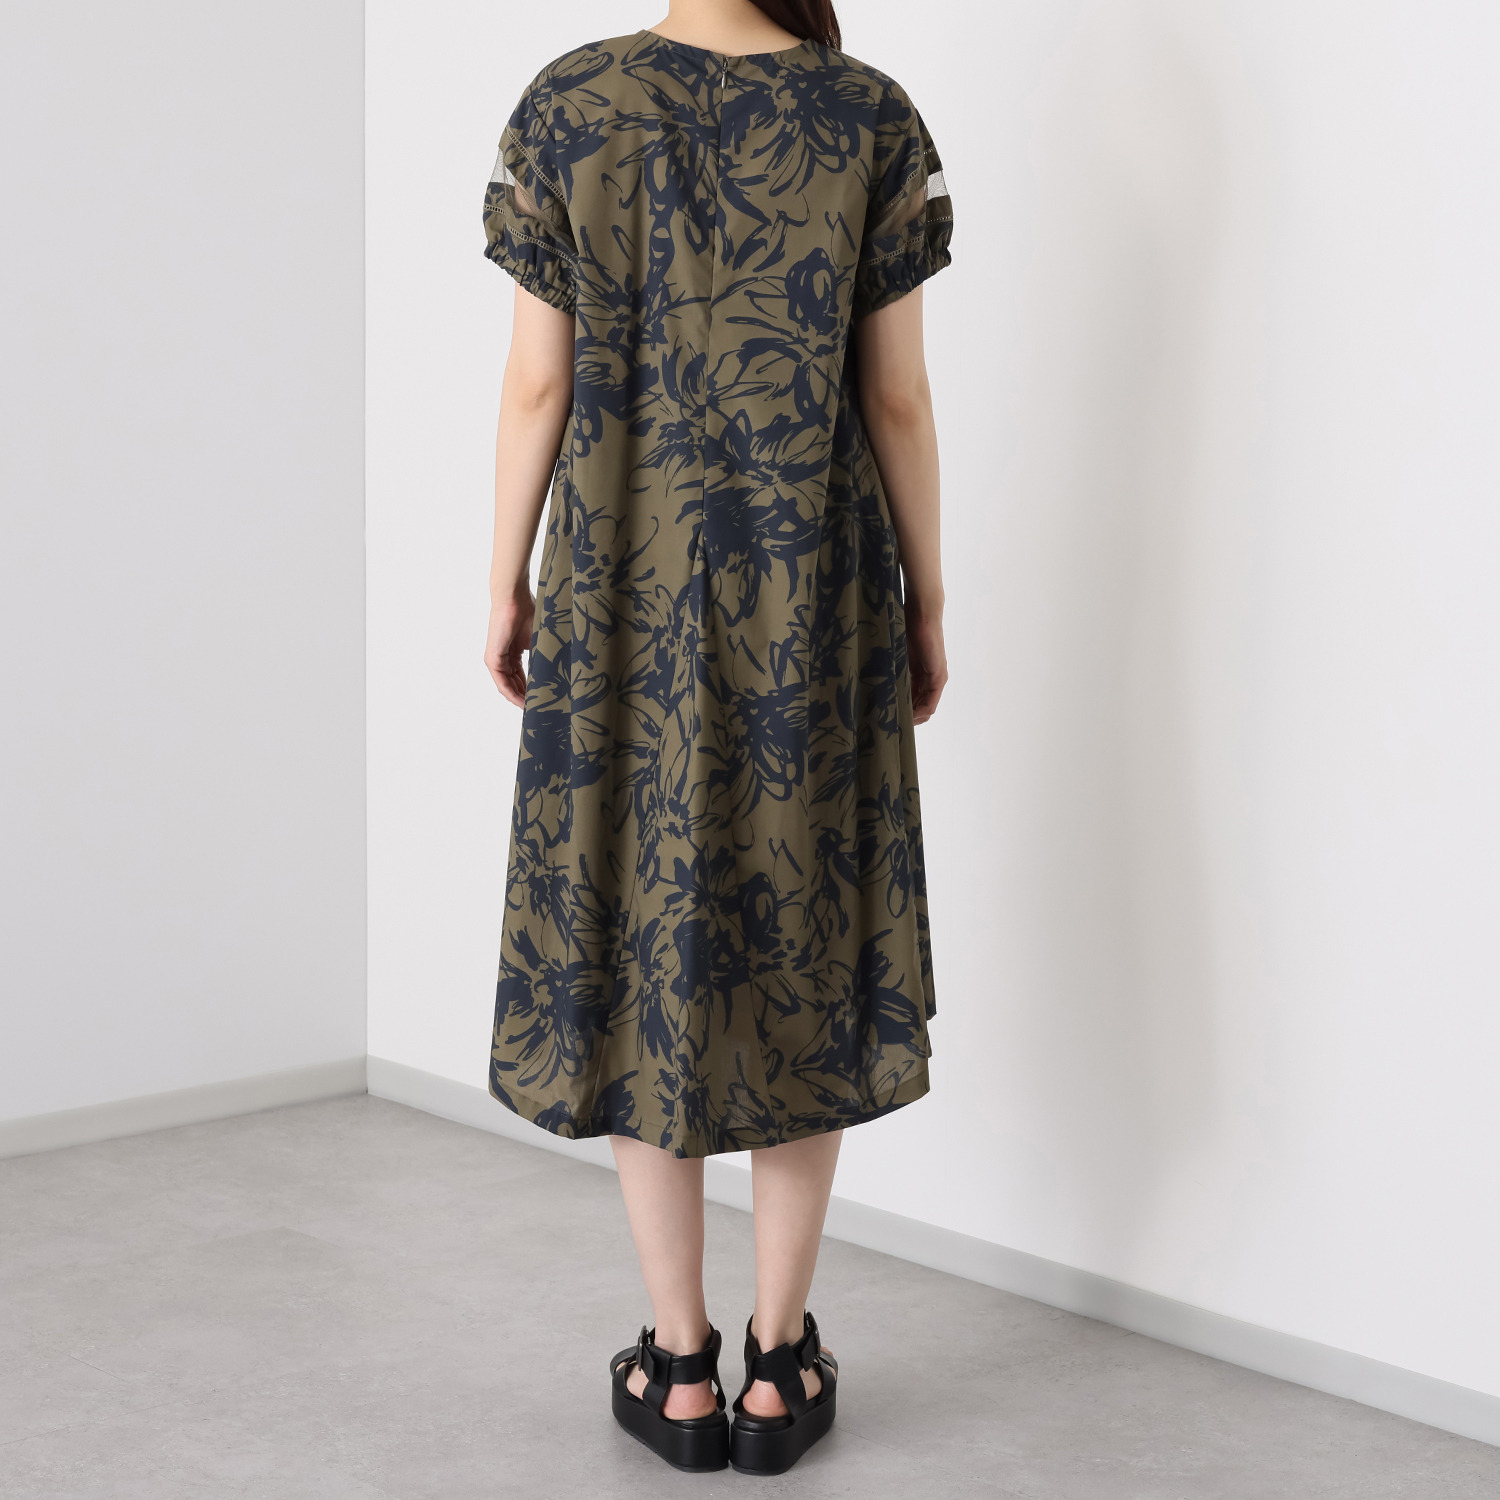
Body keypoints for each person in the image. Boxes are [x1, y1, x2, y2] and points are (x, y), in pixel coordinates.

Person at [480, 0, 952, 1475]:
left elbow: (538, 382)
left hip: (624, 587)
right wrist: (928, 596)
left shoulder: (569, 103)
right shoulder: (867, 115)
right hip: (811, 596)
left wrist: (505, 577)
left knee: (646, 935)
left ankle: (678, 1364)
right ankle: (777, 1364)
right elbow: (895, 396)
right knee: (799, 940)